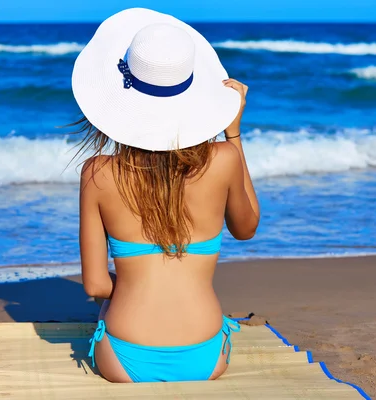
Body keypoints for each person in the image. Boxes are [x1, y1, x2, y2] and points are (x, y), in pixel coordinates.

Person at [71, 8, 260, 383]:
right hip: (205, 357)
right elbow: (246, 227)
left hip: (123, 357)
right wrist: (233, 136)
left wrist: (135, 287)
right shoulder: (223, 160)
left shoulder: (97, 172)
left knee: (108, 308)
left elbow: (95, 286)